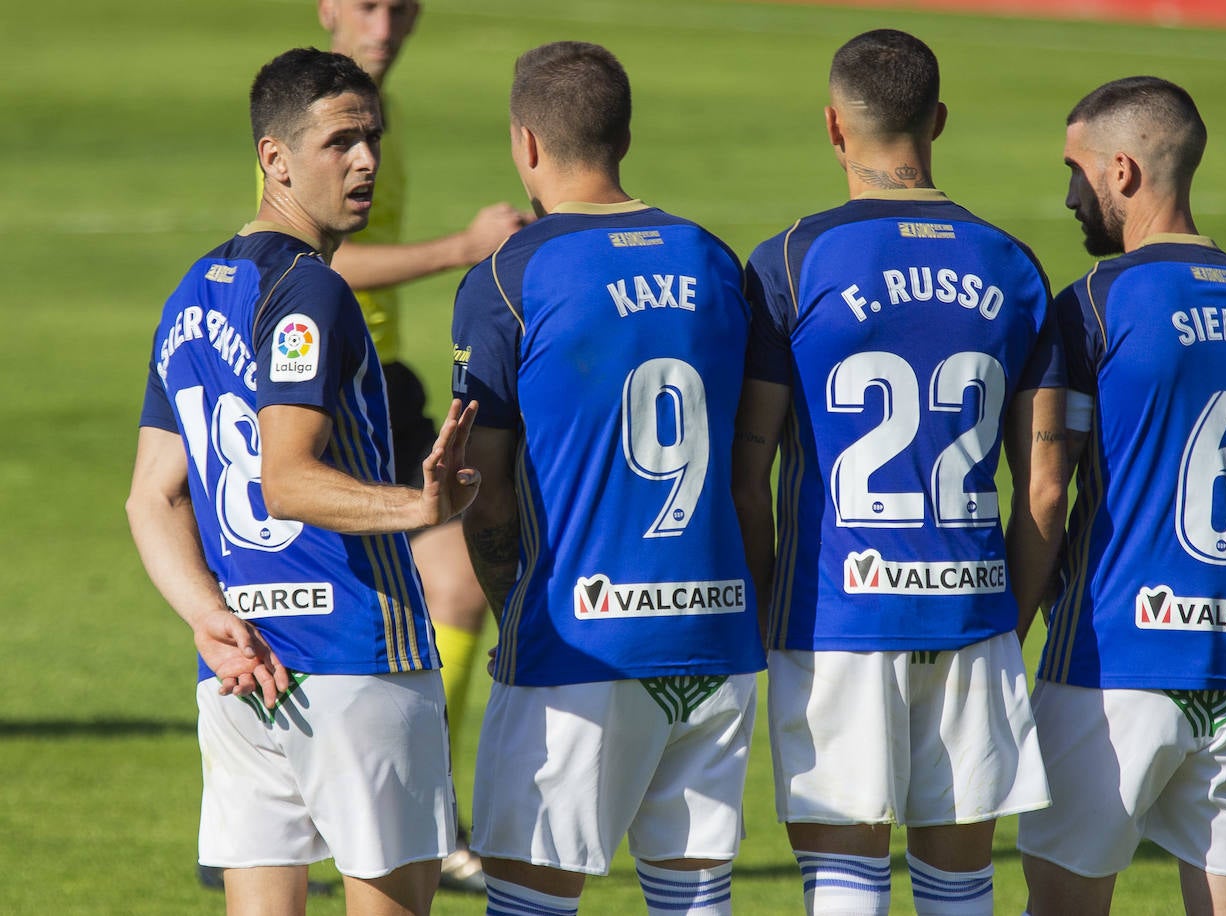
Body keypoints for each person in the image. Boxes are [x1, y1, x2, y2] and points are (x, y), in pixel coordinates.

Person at [126, 47, 481, 915]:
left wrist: (211, 621)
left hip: (245, 669)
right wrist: (418, 505)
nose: (366, 161)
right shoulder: (311, 291)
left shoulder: (193, 292)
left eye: (373, 139)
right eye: (340, 143)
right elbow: (287, 481)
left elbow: (152, 495)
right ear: (274, 159)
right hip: (359, 663)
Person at [732, 29, 1068, 916]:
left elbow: (749, 465)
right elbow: (1043, 485)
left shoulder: (791, 261)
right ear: (939, 121)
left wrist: (774, 609)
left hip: (835, 611)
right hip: (973, 612)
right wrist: (1005, 620)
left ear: (835, 128)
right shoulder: (1015, 266)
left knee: (844, 888)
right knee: (960, 888)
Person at [451, 40, 766, 916]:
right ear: (624, 135)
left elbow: (485, 484)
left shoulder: (511, 275)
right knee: (694, 903)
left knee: (531, 901)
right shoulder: (712, 259)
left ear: (525, 143)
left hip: (576, 644)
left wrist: (513, 596)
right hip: (714, 636)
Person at [239, 1, 524, 893]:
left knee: (456, 588)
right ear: (326, 7)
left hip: (380, 377)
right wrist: (464, 249)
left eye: (402, 6)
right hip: (320, 388)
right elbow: (308, 260)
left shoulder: (364, 114)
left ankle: (410, 803)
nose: (388, 20)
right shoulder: (309, 116)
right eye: (368, 4)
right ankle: (356, 802)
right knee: (363, 593)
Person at [1017, 76, 1226, 916]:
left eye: (1075, 170)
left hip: (1107, 669)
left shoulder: (1094, 307)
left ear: (1121, 171)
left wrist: (1005, 639)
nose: (1068, 194)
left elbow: (1047, 498)